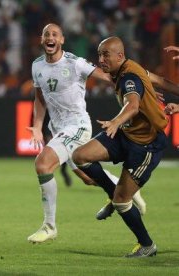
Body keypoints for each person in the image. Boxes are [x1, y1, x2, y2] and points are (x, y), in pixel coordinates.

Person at [26, 23, 146, 244]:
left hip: (77, 125)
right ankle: (125, 188)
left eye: (54, 34)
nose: (50, 37)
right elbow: (40, 98)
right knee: (88, 178)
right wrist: (37, 125)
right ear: (42, 40)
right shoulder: (37, 66)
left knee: (43, 164)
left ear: (61, 40)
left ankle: (49, 226)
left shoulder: (75, 63)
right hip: (58, 128)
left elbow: (110, 77)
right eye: (46, 35)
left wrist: (140, 86)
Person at [72, 37, 168, 257]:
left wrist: (116, 121)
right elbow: (160, 80)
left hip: (146, 145)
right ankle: (110, 190)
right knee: (80, 156)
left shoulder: (129, 77)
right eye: (99, 54)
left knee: (122, 201)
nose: (101, 59)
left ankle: (147, 245)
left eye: (106, 55)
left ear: (120, 56)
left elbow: (132, 105)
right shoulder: (133, 69)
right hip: (127, 134)